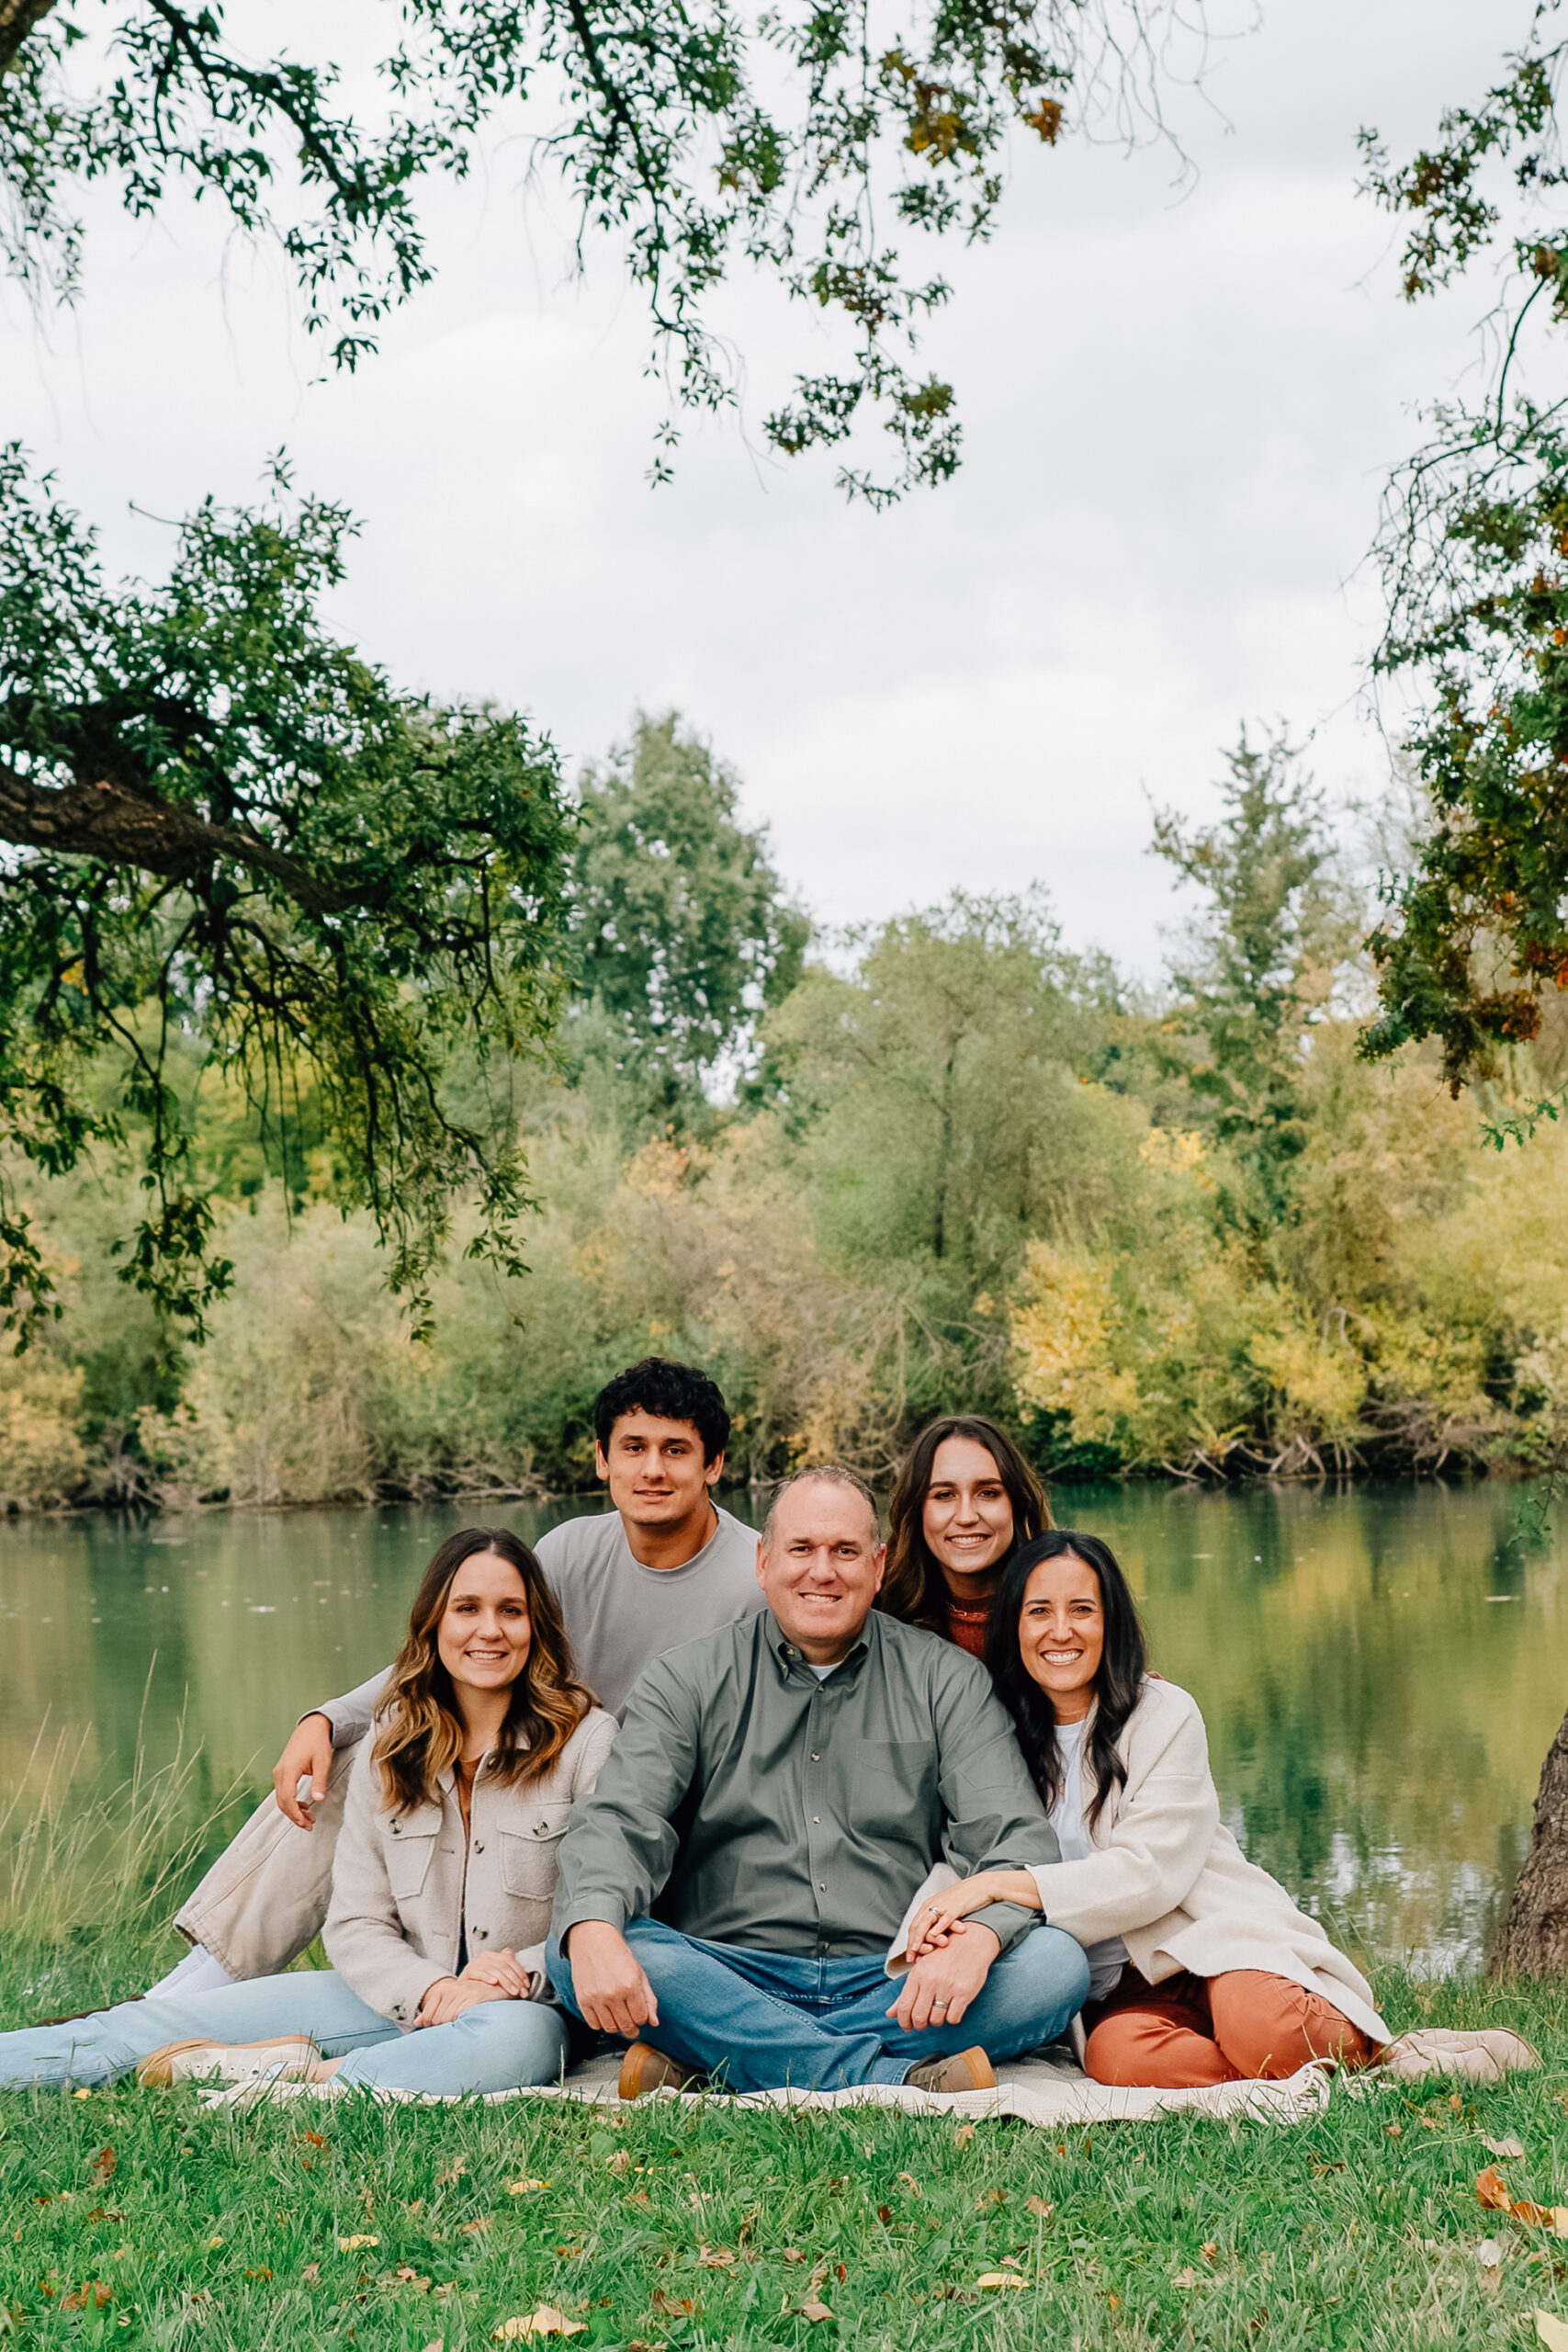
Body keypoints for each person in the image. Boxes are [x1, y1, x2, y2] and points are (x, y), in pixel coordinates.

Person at [155, 1358, 760, 1996]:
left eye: (675, 1450)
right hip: (550, 1786)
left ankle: (501, 1984)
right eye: (633, 1448)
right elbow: (461, 1654)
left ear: (712, 1465)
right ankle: (198, 1984)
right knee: (356, 1757)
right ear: (602, 1460)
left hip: (653, 1825)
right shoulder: (568, 1552)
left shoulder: (755, 1581)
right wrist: (327, 1718)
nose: (653, 1470)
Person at [0, 1531, 615, 2096]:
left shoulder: (586, 1742)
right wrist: (431, 1987)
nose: (490, 1630)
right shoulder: (390, 1745)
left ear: (536, 1626)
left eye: (511, 1611)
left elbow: (607, 1904)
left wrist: (509, 1976)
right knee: (162, 2020)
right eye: (467, 1609)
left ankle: (293, 2084)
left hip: (528, 2009)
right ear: (433, 1625)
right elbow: (354, 1923)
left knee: (510, 2046)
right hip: (388, 1995)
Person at [546, 1465, 1090, 2098]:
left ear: (878, 1564)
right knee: (578, 1946)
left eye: (844, 1551)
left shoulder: (944, 1679)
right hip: (725, 1971)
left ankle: (720, 2054)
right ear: (763, 1561)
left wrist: (978, 1936)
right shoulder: (685, 1680)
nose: (822, 1571)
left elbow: (1014, 1841)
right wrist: (592, 1930)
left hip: (895, 1977)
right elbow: (618, 1823)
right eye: (801, 1549)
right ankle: (881, 2075)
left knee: (1052, 1965)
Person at [900, 1530, 1389, 2086]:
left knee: (1262, 2024)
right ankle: (1265, 2076)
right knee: (1118, 2060)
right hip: (1119, 1989)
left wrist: (1001, 1885)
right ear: (1013, 1626)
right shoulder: (991, 1737)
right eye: (1039, 1611)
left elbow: (1150, 1873)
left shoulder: (1162, 1712)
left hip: (1207, 1940)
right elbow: (958, 1849)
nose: (1061, 1631)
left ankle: (1374, 2053)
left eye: (1082, 1609)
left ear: (1111, 1623)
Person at [878, 1414, 1052, 1657]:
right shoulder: (879, 1609)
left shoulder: (1065, 1607)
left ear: (1017, 1503)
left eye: (988, 1493)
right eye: (944, 1495)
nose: (966, 1516)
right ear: (917, 1510)